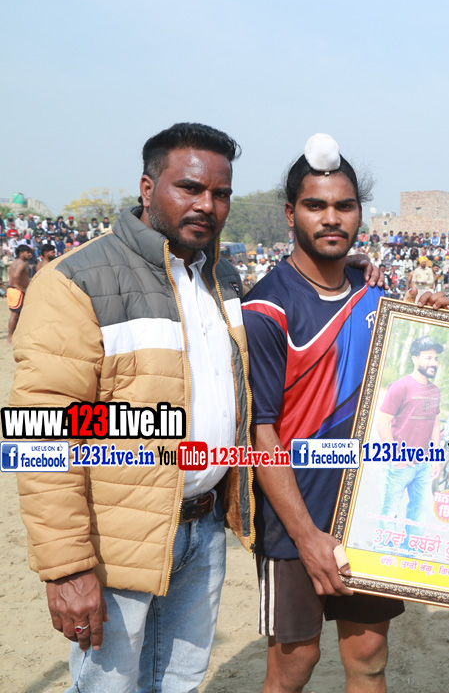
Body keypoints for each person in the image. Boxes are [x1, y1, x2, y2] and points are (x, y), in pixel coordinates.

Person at [11, 122, 258, 691]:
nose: (207, 205)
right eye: (189, 188)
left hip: (202, 531)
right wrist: (68, 567)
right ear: (148, 189)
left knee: (180, 684)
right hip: (115, 539)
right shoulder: (77, 280)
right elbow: (41, 432)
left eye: (220, 193)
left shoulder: (221, 277)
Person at [243, 134, 419, 693]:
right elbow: (260, 433)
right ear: (290, 212)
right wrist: (307, 536)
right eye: (315, 205)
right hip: (295, 522)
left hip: (370, 517)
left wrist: (431, 323)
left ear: (360, 213)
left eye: (344, 205)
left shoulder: (376, 297)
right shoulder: (265, 308)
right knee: (293, 664)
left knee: (368, 657)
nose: (331, 218)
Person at [374, 335, 444, 551]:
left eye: (436, 358)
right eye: (428, 357)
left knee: (418, 513)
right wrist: (395, 456)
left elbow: (435, 425)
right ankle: (383, 551)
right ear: (415, 358)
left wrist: (436, 459)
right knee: (389, 512)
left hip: (423, 464)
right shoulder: (400, 387)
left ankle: (411, 552)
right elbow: (382, 424)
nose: (433, 362)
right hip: (399, 464)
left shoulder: (435, 391)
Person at [7, 243, 31, 342]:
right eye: (28, 252)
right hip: (16, 291)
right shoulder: (21, 263)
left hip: (12, 289)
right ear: (21, 253)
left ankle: (13, 335)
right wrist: (20, 288)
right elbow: (16, 276)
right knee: (15, 314)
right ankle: (10, 337)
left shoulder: (15, 262)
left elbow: (11, 275)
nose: (30, 254)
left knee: (17, 314)